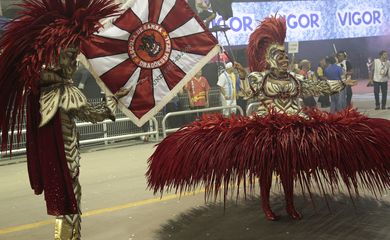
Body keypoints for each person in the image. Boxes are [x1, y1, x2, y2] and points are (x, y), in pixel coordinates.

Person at [148, 16, 389, 223]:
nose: (285, 60)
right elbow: (247, 94)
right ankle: (266, 205)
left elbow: (317, 86)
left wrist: (340, 84)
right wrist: (243, 77)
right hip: (268, 130)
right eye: (280, 57)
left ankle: (290, 204)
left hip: (295, 128)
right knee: (265, 171)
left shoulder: (295, 79)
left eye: (286, 57)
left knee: (289, 170)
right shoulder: (258, 79)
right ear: (271, 60)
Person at [0, 1, 127, 239]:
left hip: (55, 157)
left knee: (66, 205)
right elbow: (95, 115)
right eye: (70, 57)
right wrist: (112, 102)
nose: (73, 62)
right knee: (71, 205)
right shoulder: (62, 92)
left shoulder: (38, 93)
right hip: (65, 160)